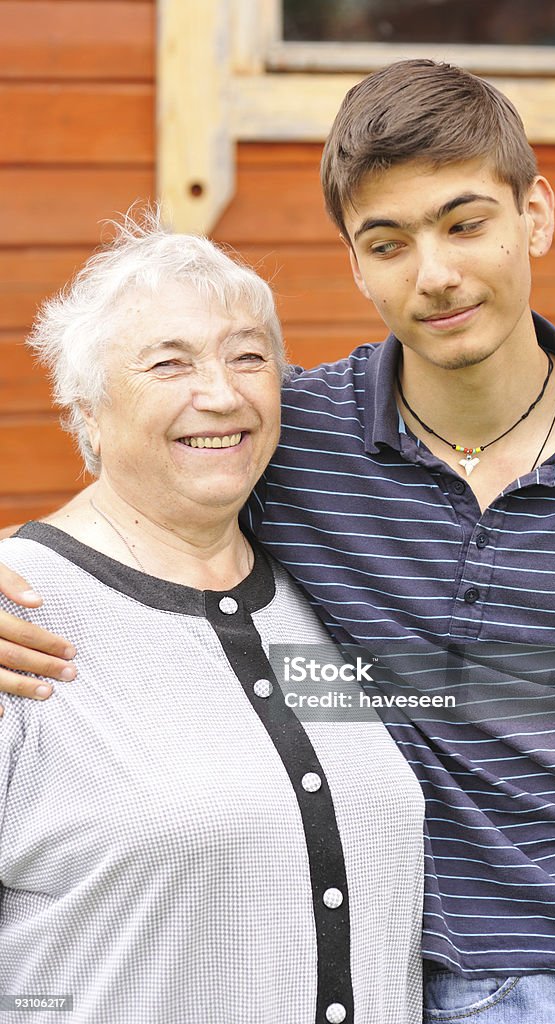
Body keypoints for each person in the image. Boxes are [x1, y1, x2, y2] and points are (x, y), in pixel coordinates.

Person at [1, 59, 555, 1021]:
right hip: (468, 983)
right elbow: (141, 488)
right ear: (355, 265)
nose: (435, 273)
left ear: (535, 214)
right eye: (389, 242)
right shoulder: (292, 436)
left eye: (464, 223)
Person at [0, 216, 425, 1023]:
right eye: (170, 363)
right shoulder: (18, 615)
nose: (222, 393)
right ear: (87, 408)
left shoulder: (328, 595)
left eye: (248, 356)